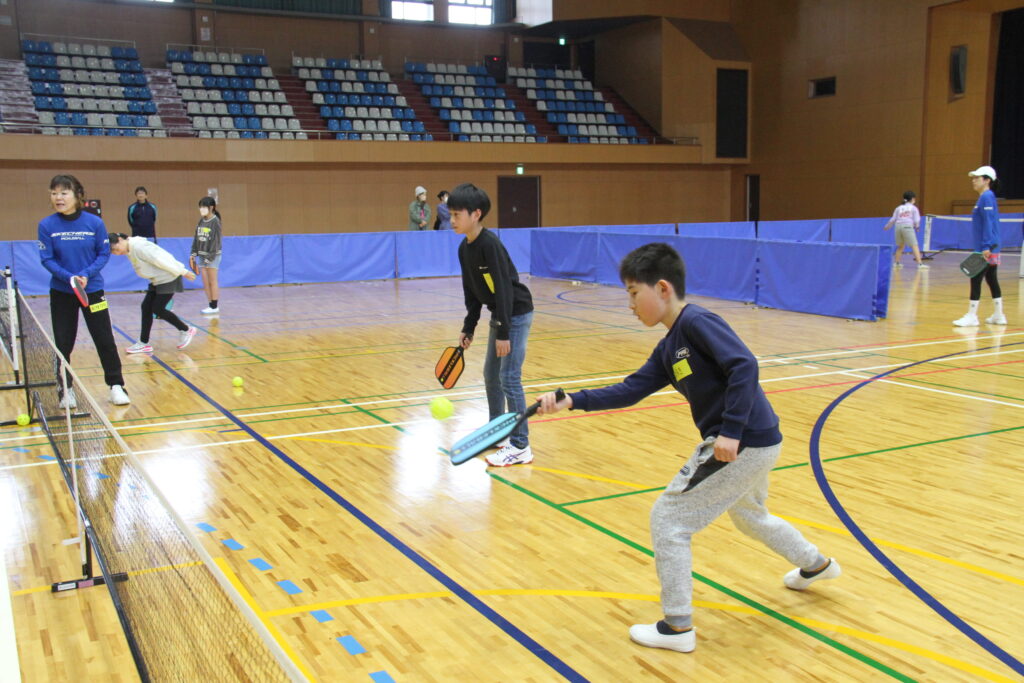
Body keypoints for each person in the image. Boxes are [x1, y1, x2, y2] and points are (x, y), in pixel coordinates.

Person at [535, 243, 839, 653]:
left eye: (632, 292)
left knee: (668, 520)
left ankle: (678, 627)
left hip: (741, 442)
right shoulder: (668, 346)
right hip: (759, 441)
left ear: (661, 288)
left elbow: (744, 365)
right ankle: (815, 564)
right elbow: (630, 389)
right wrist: (573, 399)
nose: (629, 304)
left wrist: (730, 431)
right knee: (750, 516)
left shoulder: (696, 322)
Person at [452, 183, 535, 466]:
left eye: (456, 214)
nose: (451, 220)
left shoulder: (490, 245)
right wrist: (469, 326)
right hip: (501, 315)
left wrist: (503, 331)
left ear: (476, 214)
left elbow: (504, 289)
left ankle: (521, 445)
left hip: (516, 313)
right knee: (491, 375)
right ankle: (497, 431)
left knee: (509, 377)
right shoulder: (465, 248)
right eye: (450, 214)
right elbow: (472, 291)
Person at [39, 174, 130, 407]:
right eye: (54, 193)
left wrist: (85, 275)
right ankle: (65, 389)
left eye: (64, 192)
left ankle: (116, 385)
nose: (58, 197)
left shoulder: (94, 223)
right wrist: (70, 278)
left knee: (104, 338)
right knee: (63, 342)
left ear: (78, 196)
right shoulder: (46, 225)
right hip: (62, 292)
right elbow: (47, 259)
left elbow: (103, 254)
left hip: (93, 291)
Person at [108, 233, 198, 353]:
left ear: (120, 240)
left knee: (158, 309)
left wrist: (183, 271)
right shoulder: (130, 248)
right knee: (146, 307)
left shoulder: (140, 247)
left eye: (116, 249)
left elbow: (162, 259)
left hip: (169, 277)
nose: (117, 253)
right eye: (114, 252)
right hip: (157, 279)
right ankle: (144, 343)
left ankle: (186, 329)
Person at [954, 166, 1005, 326]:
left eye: (977, 177)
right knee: (991, 278)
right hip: (989, 246)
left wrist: (986, 246)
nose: (973, 180)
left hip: (986, 247)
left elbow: (989, 222)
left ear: (987, 180)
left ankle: (972, 316)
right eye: (973, 177)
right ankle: (998, 315)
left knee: (975, 278)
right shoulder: (985, 197)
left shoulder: (987, 197)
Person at [189, 196, 222, 315]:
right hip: (202, 255)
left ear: (211, 207)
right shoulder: (201, 221)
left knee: (212, 281)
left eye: (204, 207)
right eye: (200, 207)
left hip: (212, 255)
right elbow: (196, 237)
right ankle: (210, 304)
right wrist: (193, 252)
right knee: (205, 281)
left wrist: (210, 257)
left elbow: (216, 242)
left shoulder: (215, 221)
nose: (201, 209)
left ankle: (214, 306)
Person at [883, 190, 927, 269]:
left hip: (898, 227)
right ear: (913, 199)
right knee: (914, 245)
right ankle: (920, 264)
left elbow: (893, 219)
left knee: (900, 246)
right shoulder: (913, 208)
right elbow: (917, 220)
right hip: (907, 227)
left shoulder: (898, 208)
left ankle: (896, 263)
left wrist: (887, 226)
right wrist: (917, 227)